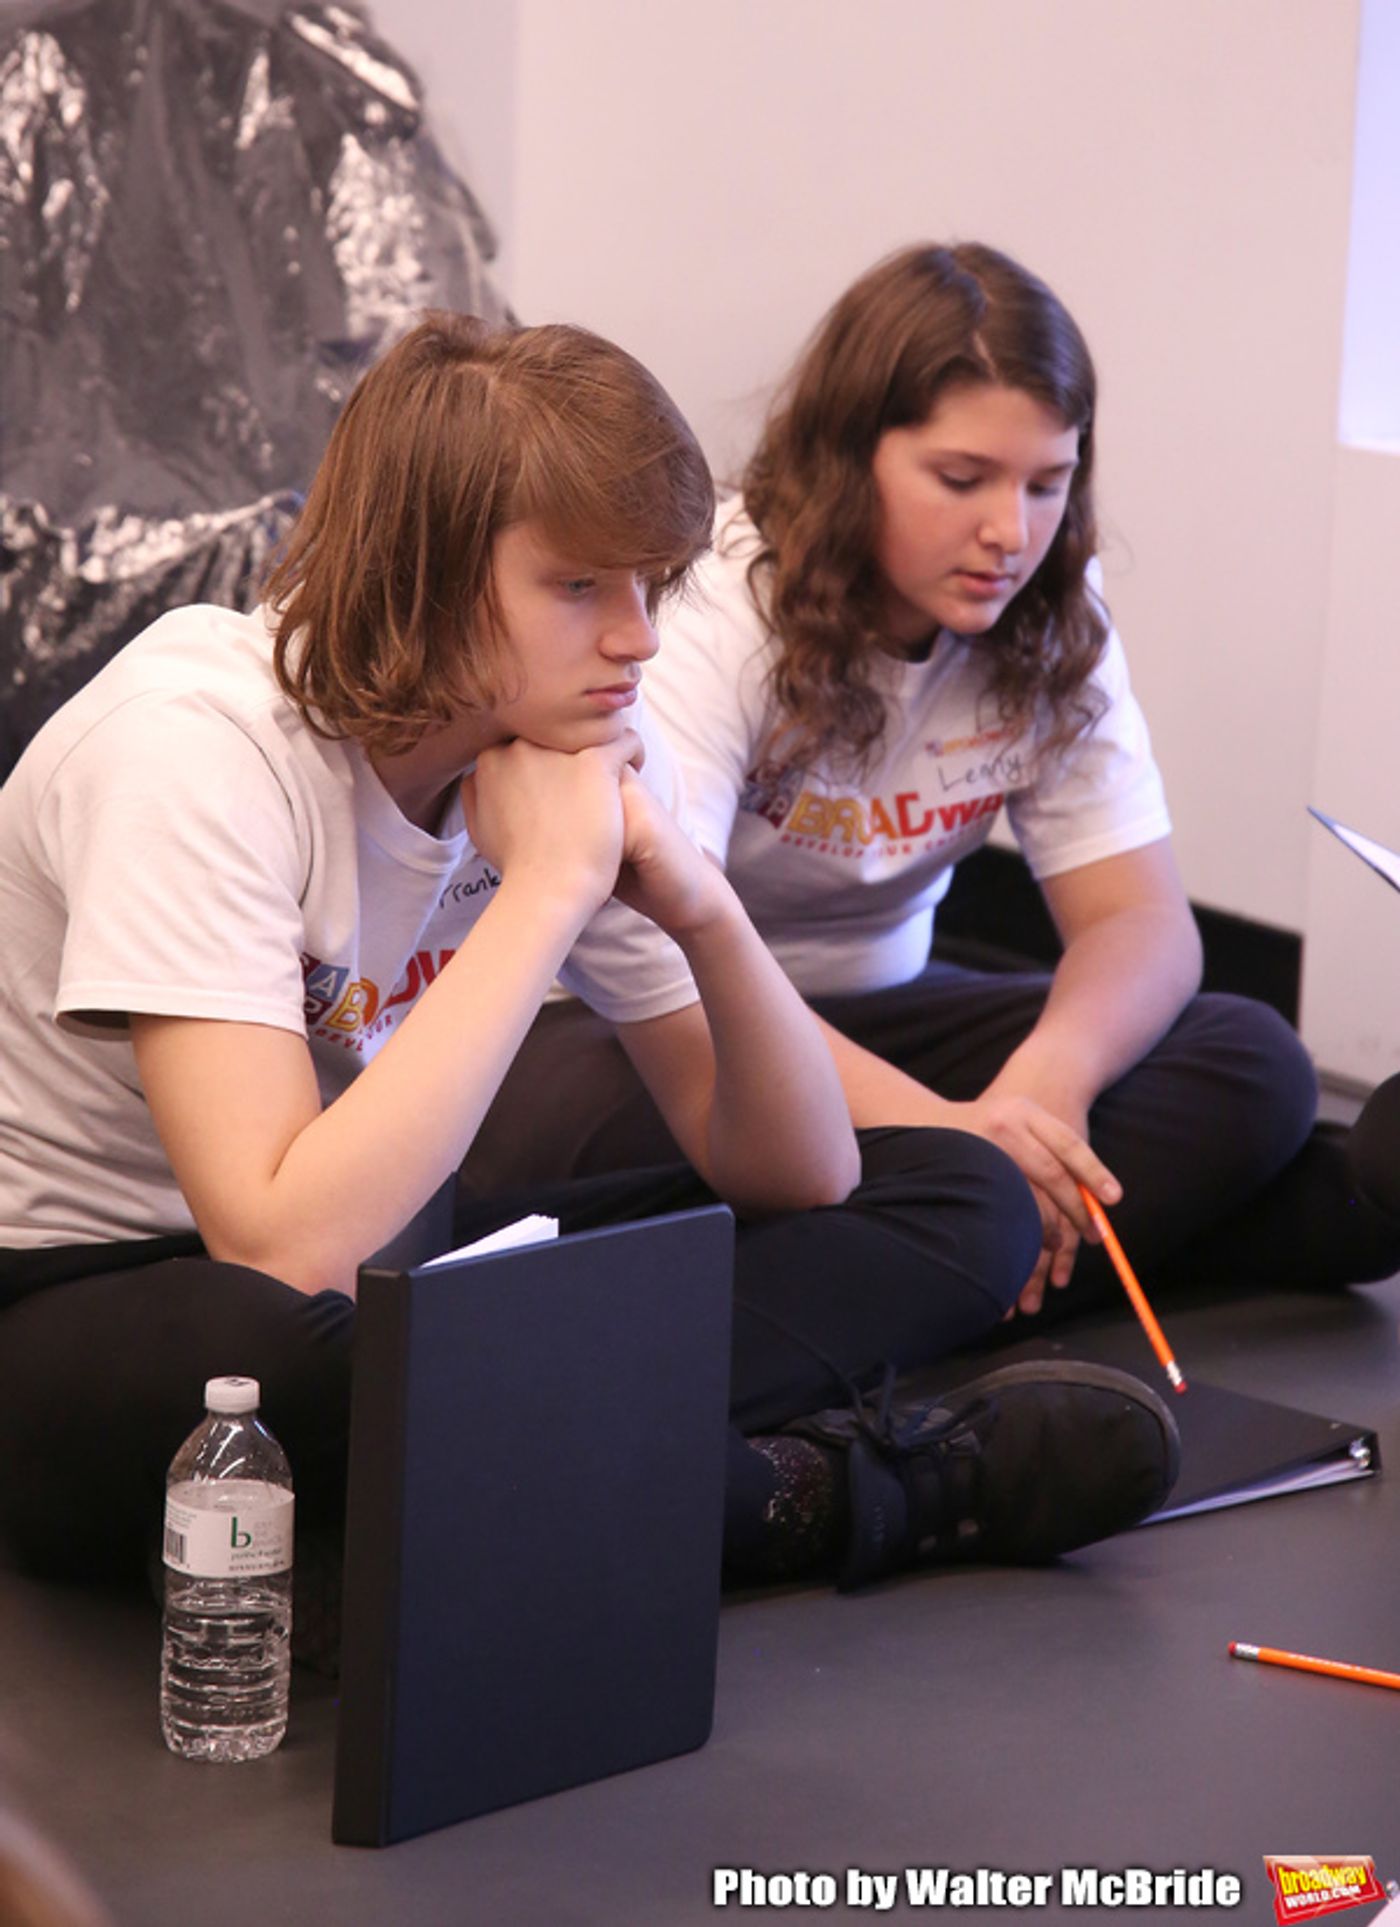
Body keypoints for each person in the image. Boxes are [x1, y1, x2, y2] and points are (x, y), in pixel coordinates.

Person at [0, 312, 1180, 1638]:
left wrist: (703, 909)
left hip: (394, 1268)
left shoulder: (579, 739)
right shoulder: (193, 753)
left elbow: (802, 1173)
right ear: (424, 577)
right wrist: (547, 891)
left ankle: (399, 1514)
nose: (637, 640)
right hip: (103, 1298)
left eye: (650, 586)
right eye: (578, 587)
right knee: (276, 1358)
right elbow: (281, 1248)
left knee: (962, 1191)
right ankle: (820, 1493)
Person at [463, 244, 1400, 1315]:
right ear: (847, 458)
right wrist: (955, 1135)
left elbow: (1140, 920)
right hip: (647, 1028)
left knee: (1253, 1058)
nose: (1010, 532)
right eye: (961, 480)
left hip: (883, 1013)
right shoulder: (713, 604)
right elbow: (667, 964)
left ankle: (943, 1262)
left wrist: (1045, 1086)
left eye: (1047, 484)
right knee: (616, 1149)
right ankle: (1173, 1234)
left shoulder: (1054, 609)